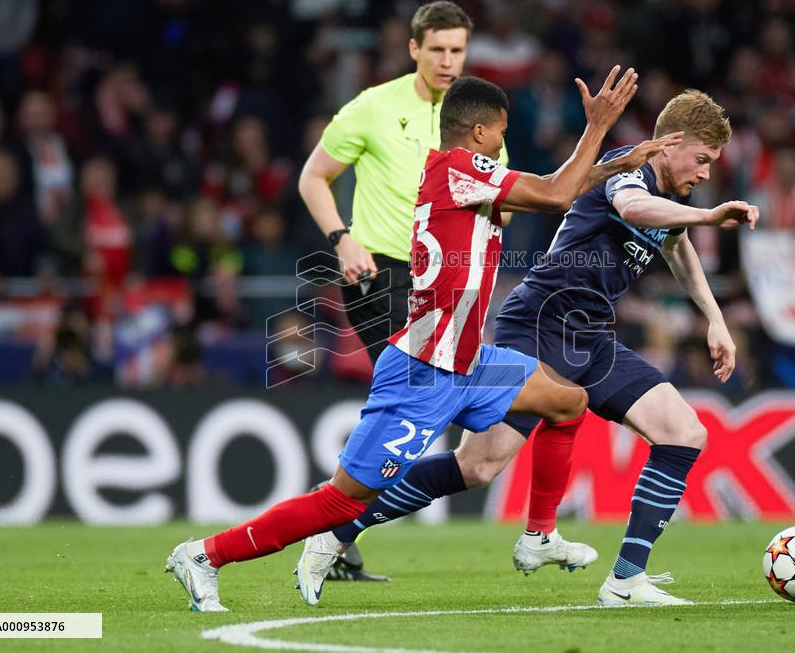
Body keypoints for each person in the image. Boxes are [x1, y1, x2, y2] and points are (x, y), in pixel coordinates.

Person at [166, 66, 659, 611]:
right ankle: (204, 555)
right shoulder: (461, 169)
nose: (503, 143)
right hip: (423, 370)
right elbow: (556, 194)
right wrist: (598, 128)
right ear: (478, 133)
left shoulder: (462, 177)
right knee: (339, 502)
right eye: (500, 132)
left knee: (567, 403)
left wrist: (614, 165)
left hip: (468, 359)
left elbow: (552, 192)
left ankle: (539, 537)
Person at [300, 89, 759, 608]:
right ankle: (339, 527)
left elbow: (676, 244)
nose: (704, 174)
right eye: (700, 159)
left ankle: (626, 581)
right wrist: (706, 216)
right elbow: (635, 208)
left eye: (712, 165)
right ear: (669, 143)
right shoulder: (622, 172)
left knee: (684, 433)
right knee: (478, 467)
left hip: (589, 337)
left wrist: (715, 320)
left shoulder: (672, 200)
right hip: (538, 325)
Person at [297, 0, 496, 581]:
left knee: (408, 409)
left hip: (445, 284)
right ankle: (335, 521)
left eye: (457, 50)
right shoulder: (372, 108)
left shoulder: (477, 118)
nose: (447, 61)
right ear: (414, 48)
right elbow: (313, 177)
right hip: (378, 272)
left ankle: (335, 517)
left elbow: (493, 199)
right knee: (415, 401)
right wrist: (341, 238)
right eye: (436, 49)